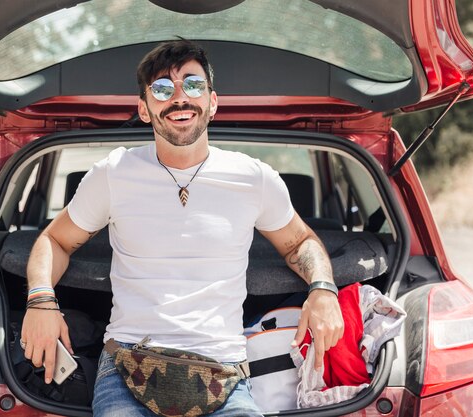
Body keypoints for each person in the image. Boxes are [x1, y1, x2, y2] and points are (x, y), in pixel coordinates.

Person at [22, 39, 344, 416]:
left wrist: (323, 289)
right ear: (144, 109)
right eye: (161, 89)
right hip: (125, 369)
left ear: (212, 101)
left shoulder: (253, 178)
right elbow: (54, 240)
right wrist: (40, 301)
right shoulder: (113, 174)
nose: (179, 98)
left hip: (224, 375)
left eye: (193, 85)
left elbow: (300, 242)